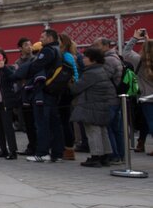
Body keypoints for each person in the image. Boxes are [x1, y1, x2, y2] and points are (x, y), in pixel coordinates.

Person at [22, 29, 65, 163]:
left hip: (44, 91)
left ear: (50, 38)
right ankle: (57, 153)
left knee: (42, 124)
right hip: (53, 91)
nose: (41, 39)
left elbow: (36, 66)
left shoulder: (47, 50)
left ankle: (42, 152)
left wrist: (25, 71)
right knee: (54, 124)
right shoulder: (59, 49)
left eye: (43, 37)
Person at [71, 48, 118, 167]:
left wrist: (71, 83)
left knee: (93, 131)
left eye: (86, 57)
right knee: (103, 130)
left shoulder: (91, 73)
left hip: (92, 105)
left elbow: (76, 88)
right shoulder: (101, 70)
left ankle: (95, 156)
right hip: (102, 104)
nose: (83, 59)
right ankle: (106, 155)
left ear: (93, 60)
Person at [92, 37, 124, 164]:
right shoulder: (115, 57)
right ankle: (121, 155)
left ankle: (115, 155)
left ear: (106, 46)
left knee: (109, 128)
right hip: (114, 98)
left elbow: (102, 78)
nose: (94, 47)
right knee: (117, 129)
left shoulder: (108, 60)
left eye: (97, 45)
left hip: (109, 98)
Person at [124, 29, 152, 154]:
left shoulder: (139, 60)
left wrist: (135, 38)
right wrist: (148, 40)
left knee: (150, 122)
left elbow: (126, 52)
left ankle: (141, 143)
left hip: (146, 97)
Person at [57, 33, 80, 161]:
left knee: (65, 121)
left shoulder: (66, 56)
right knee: (64, 120)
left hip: (65, 91)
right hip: (66, 90)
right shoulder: (67, 55)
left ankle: (69, 148)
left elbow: (74, 74)